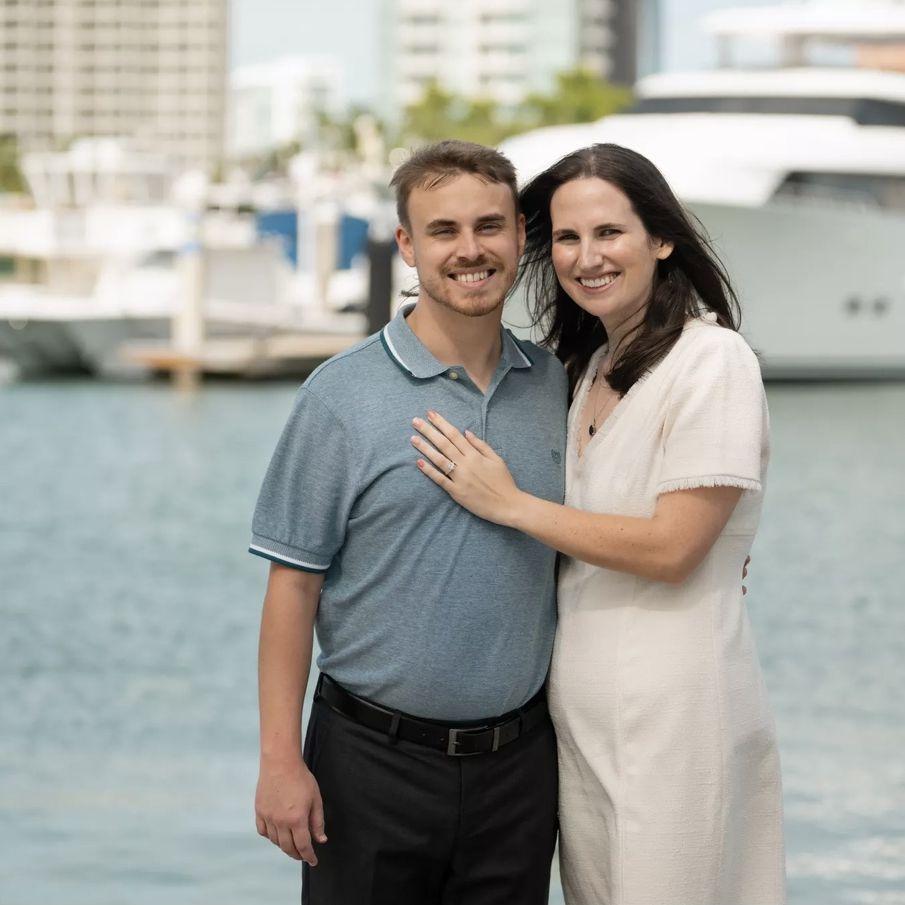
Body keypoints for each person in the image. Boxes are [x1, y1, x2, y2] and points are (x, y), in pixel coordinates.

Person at [410, 143, 786, 905]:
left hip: (675, 715)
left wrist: (508, 502)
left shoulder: (711, 361)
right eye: (567, 238)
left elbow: (674, 547)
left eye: (609, 232)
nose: (586, 258)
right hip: (580, 728)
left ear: (661, 237)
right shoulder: (582, 371)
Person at [248, 140, 567, 905]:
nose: (469, 250)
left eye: (488, 226)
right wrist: (279, 761)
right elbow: (292, 587)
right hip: (369, 764)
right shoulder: (339, 396)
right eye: (443, 230)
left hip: (520, 770)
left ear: (519, 235)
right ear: (407, 244)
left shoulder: (555, 383)